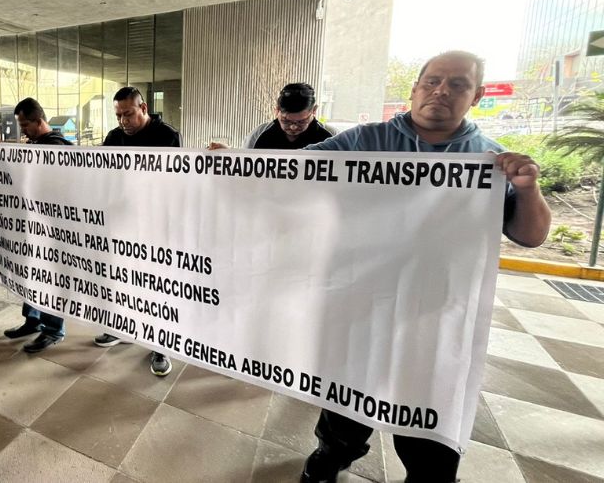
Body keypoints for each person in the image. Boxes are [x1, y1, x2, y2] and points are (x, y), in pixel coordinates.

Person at [298, 51, 551, 483]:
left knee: (429, 418)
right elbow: (286, 174)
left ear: (477, 96)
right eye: (433, 81)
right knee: (348, 400)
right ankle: (329, 458)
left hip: (437, 315)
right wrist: (221, 165)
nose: (442, 91)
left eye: (457, 84)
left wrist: (527, 188)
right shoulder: (363, 141)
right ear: (414, 89)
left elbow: (531, 236)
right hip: (361, 304)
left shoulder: (491, 161)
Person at [93, 86, 182, 377]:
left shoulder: (167, 135)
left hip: (156, 225)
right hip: (122, 223)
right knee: (122, 280)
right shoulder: (113, 137)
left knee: (156, 286)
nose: (123, 121)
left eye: (128, 114)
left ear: (143, 109)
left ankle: (161, 344)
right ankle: (123, 328)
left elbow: (174, 183)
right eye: (118, 115)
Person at [0, 97, 74, 353]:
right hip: (33, 224)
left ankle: (53, 329)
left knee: (49, 277)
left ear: (39, 121)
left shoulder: (58, 147)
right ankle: (33, 320)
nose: (23, 130)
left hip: (52, 227)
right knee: (32, 274)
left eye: (25, 125)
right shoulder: (36, 145)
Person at [209, 83, 332, 151]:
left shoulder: (331, 137)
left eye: (301, 122)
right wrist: (228, 153)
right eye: (286, 121)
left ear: (314, 111)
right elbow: (245, 163)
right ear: (276, 111)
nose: (293, 127)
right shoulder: (260, 134)